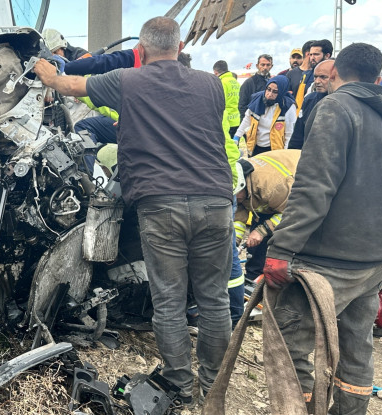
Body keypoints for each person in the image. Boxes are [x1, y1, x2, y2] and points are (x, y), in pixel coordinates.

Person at [34, 17, 233, 405]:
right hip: (216, 201)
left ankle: (180, 385)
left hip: (162, 204)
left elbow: (68, 84)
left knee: (170, 300)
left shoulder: (129, 80)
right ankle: (214, 387)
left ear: (140, 51)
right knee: (213, 300)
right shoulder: (212, 84)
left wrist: (45, 67)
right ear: (177, 47)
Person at [264, 43, 382, 414]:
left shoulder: (335, 107)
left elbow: (314, 187)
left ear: (334, 73)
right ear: (378, 78)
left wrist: (282, 249)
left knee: (289, 345)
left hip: (331, 261)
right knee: (356, 346)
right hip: (374, 260)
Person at [231, 149, 301, 286]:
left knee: (279, 241)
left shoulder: (272, 187)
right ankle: (253, 279)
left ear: (242, 185)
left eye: (235, 197)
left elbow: (293, 212)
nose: (235, 200)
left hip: (292, 197)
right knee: (256, 245)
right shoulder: (237, 188)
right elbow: (238, 220)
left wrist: (262, 231)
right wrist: (233, 246)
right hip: (267, 198)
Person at [234, 75, 297, 157]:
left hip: (275, 150)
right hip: (255, 147)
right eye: (268, 89)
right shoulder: (257, 100)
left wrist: (285, 154)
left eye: (275, 92)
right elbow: (247, 120)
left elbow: (289, 134)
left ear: (282, 92)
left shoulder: (287, 106)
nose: (269, 94)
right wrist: (237, 136)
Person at [287, 59, 334, 149]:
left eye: (323, 77)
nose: (317, 81)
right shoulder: (309, 99)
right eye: (315, 77)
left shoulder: (345, 102)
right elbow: (298, 134)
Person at [293, 39, 333, 114]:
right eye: (311, 54)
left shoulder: (336, 75)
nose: (312, 58)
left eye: (316, 54)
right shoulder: (306, 75)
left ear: (327, 55)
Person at [238, 54, 272, 120]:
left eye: (268, 65)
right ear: (257, 66)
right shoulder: (249, 83)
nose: (265, 67)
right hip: (252, 121)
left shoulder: (272, 83)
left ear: (271, 66)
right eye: (262, 64)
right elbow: (242, 105)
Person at [213, 60, 241, 137]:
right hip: (237, 120)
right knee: (234, 145)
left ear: (215, 72)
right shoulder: (235, 82)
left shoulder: (221, 83)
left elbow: (219, 103)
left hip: (226, 122)